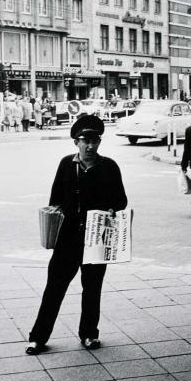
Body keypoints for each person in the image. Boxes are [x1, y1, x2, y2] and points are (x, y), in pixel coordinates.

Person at [26, 114, 127, 355]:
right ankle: (38, 338)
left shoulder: (109, 167)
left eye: (95, 141)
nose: (91, 146)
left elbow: (121, 201)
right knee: (54, 288)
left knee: (92, 289)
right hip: (67, 239)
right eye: (85, 141)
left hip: (96, 240)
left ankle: (90, 334)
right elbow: (55, 199)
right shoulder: (66, 165)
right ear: (76, 142)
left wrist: (112, 209)